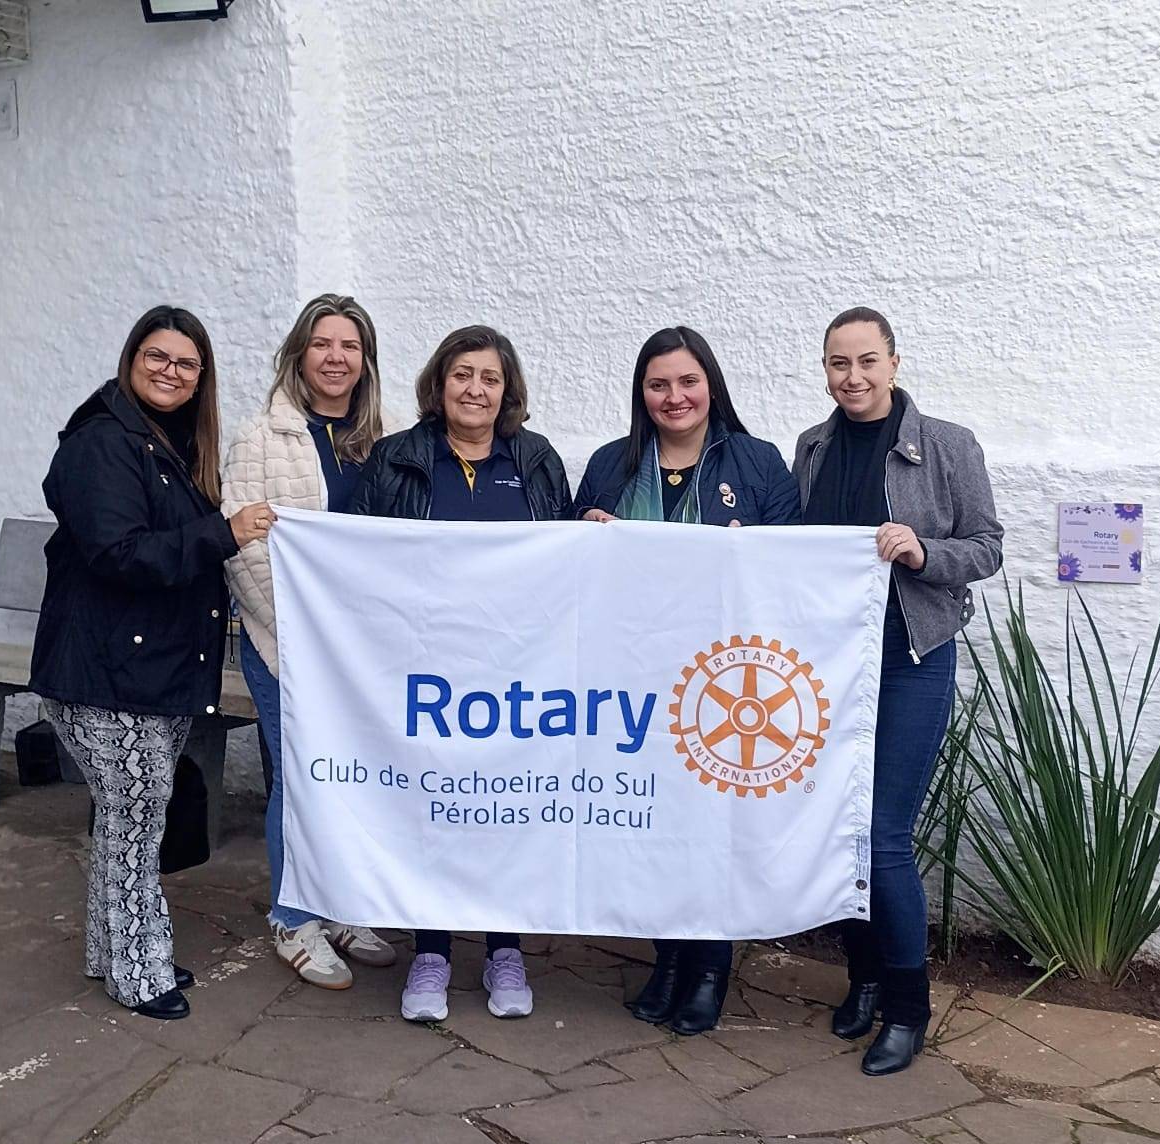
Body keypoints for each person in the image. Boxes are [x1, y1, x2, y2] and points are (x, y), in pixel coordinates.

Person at [30, 305, 275, 1020]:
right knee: (137, 825)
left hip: (146, 674)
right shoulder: (104, 444)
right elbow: (119, 552)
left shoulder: (164, 444)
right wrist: (222, 532)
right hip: (109, 676)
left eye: (186, 362)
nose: (171, 371)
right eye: (157, 356)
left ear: (202, 377)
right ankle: (139, 970)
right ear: (131, 358)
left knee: (124, 818)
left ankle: (114, 953)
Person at [573, 325, 802, 1035]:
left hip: (727, 686)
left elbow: (793, 566)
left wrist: (749, 557)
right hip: (636, 680)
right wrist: (585, 530)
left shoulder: (758, 463)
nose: (674, 397)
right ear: (641, 393)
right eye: (658, 384)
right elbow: (567, 568)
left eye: (687, 381)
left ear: (712, 385)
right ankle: (667, 957)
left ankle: (708, 967)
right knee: (655, 823)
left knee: (713, 827)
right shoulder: (612, 464)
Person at [795, 306, 1002, 1075]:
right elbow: (801, 550)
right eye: (838, 364)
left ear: (894, 361)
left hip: (912, 655)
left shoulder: (948, 444)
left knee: (882, 834)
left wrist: (922, 550)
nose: (853, 377)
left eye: (866, 361)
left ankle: (908, 1009)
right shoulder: (811, 448)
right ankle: (865, 977)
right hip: (830, 664)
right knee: (840, 830)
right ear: (825, 370)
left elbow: (987, 547)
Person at [350, 324, 570, 1022]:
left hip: (514, 671)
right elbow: (355, 554)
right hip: (423, 670)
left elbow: (565, 558)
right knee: (434, 806)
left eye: (490, 378)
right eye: (462, 375)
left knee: (502, 803)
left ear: (508, 390)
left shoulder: (535, 460)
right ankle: (433, 950)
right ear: (438, 384)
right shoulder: (397, 459)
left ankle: (505, 949)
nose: (476, 389)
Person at [224, 293, 407, 990]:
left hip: (365, 653)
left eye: (350, 346)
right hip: (287, 646)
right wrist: (302, 632)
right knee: (302, 777)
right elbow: (245, 548)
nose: (336, 357)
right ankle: (293, 915)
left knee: (351, 777)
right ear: (299, 352)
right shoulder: (262, 436)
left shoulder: (382, 437)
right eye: (323, 343)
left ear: (366, 361)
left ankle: (340, 905)